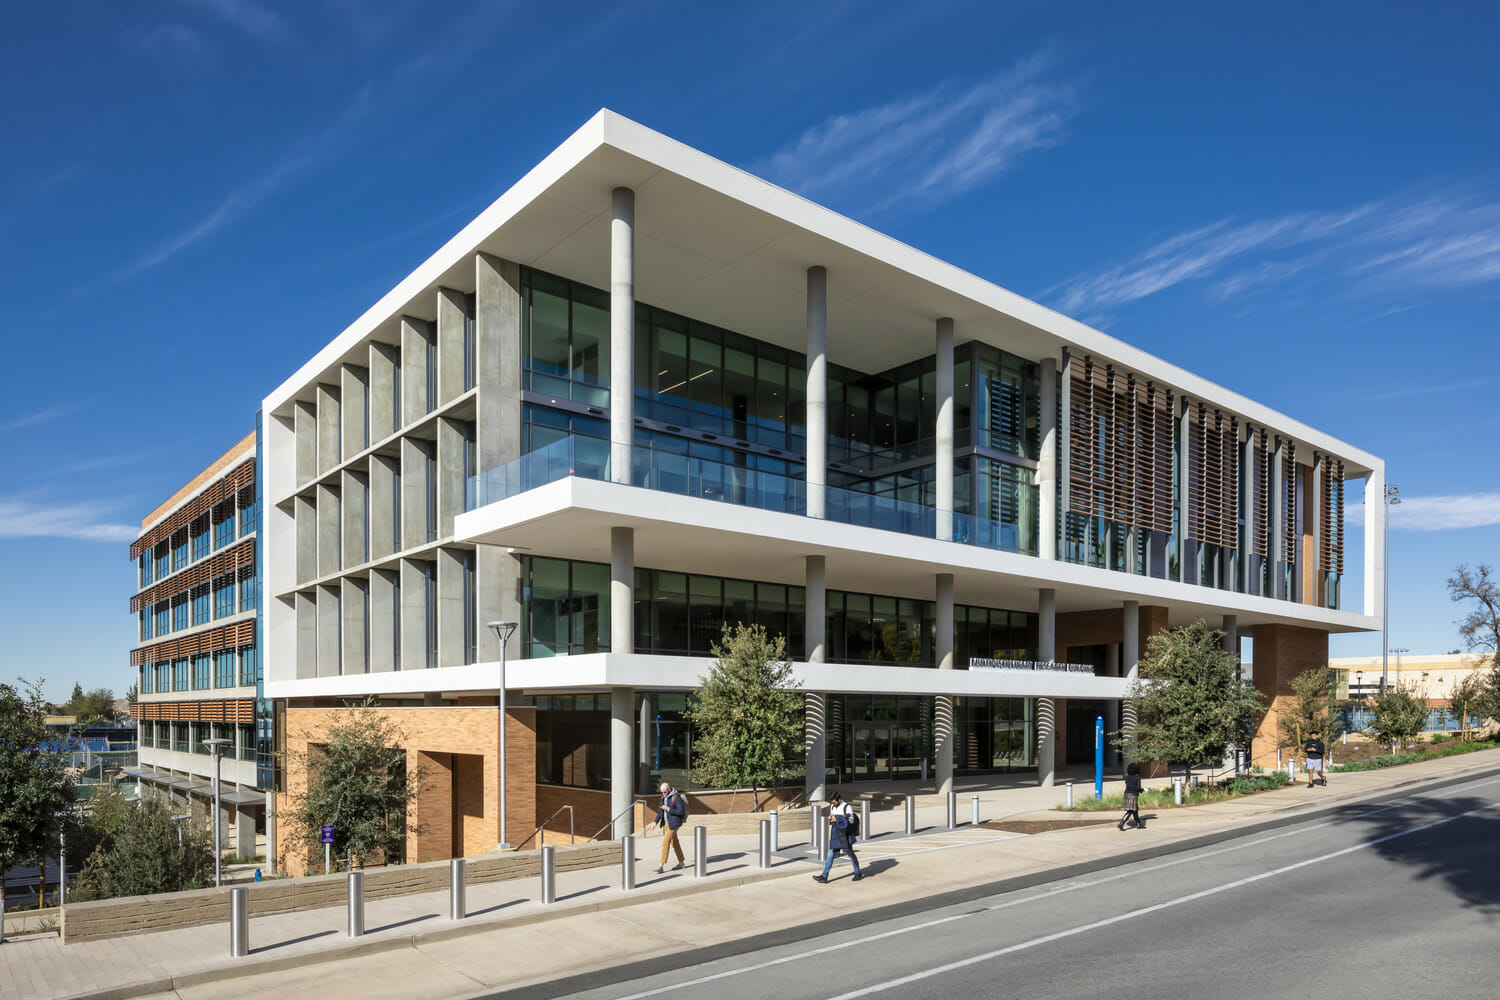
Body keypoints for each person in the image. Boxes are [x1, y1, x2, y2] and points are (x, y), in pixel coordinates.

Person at [812, 790, 863, 883]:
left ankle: (857, 872)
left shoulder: (847, 807)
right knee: (830, 853)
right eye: (832, 802)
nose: (833, 804)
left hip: (845, 835)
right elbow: (833, 818)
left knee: (850, 853)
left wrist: (837, 819)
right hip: (835, 834)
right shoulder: (832, 806)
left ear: (839, 799)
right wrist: (831, 818)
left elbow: (851, 820)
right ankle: (824, 876)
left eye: (834, 802)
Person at [652, 781, 688, 873]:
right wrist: (655, 822)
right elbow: (660, 811)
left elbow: (680, 811)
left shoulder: (676, 797)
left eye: (664, 792)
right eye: (662, 792)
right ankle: (681, 863)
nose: (663, 794)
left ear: (668, 789)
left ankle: (661, 865)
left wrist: (668, 809)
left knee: (665, 842)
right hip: (667, 824)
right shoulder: (663, 797)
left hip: (674, 824)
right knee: (674, 843)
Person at [1118, 762, 1144, 830]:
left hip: (1126, 794)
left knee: (1135, 810)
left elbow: (1129, 785)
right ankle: (1121, 823)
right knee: (1130, 810)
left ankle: (1138, 824)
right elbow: (1138, 788)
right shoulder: (1137, 778)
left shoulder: (1127, 778)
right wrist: (1142, 790)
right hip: (1133, 795)